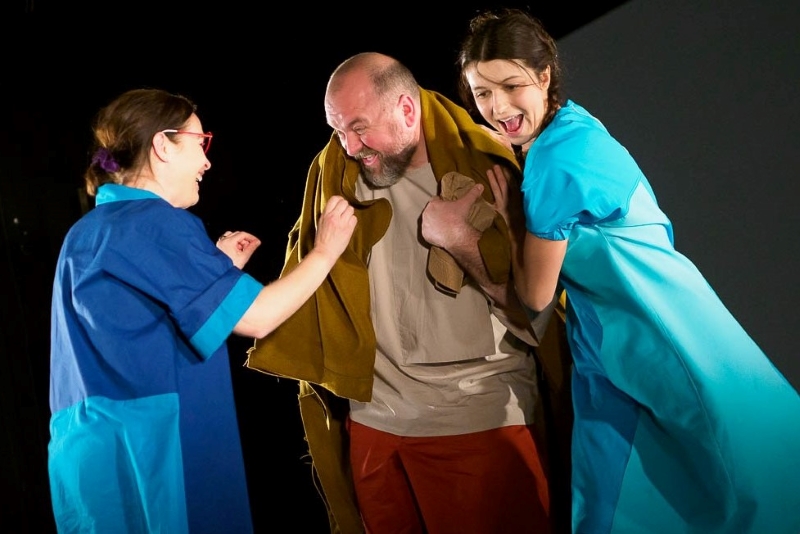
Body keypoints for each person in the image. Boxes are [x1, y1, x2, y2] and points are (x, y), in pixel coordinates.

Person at [456, 8, 800, 534]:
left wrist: (500, 223)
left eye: (511, 86)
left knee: (740, 485)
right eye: (482, 93)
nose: (497, 107)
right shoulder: (574, 125)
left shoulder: (551, 164)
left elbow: (535, 296)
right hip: (644, 327)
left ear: (543, 76)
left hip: (653, 337)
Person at [245, 52, 574, 534]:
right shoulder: (335, 172)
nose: (350, 146)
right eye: (338, 130)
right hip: (375, 425)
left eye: (359, 128)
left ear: (406, 109)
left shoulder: (488, 163)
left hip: (476, 419)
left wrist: (463, 243)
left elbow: (538, 311)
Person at [47, 88, 357, 534]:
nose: (207, 162)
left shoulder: (85, 233)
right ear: (162, 145)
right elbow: (259, 317)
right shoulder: (157, 223)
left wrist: (216, 273)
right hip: (160, 458)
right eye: (200, 142)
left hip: (95, 464)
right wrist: (325, 251)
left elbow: (134, 323)